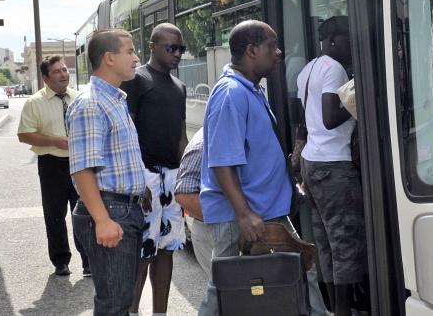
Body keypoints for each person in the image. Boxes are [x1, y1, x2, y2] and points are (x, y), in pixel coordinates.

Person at [198, 20, 321, 316]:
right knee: (227, 288)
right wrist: (244, 214)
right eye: (272, 46)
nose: (278, 53)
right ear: (252, 50)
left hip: (265, 209)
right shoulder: (231, 93)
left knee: (302, 271)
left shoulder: (251, 89)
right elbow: (222, 162)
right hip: (243, 215)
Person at [67, 29, 149, 316]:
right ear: (109, 58)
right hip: (110, 210)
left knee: (121, 301)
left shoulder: (114, 98)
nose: (137, 58)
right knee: (114, 305)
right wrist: (102, 220)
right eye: (130, 51)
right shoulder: (91, 103)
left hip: (122, 210)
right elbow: (82, 169)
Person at [296, 16, 368, 316]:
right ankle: (343, 310)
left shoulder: (307, 69)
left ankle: (332, 305)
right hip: (333, 165)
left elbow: (306, 119)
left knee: (325, 240)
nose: (352, 47)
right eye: (349, 40)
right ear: (334, 40)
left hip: (313, 162)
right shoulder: (335, 69)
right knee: (345, 240)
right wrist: (359, 100)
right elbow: (329, 117)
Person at [122, 23, 189, 316]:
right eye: (171, 48)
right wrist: (138, 179)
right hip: (146, 175)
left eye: (181, 49)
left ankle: (160, 312)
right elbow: (127, 132)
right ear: (152, 46)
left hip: (173, 178)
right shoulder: (136, 80)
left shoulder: (180, 87)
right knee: (143, 252)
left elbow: (181, 136)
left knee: (167, 249)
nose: (177, 54)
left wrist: (187, 179)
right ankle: (132, 311)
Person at [17, 56, 88, 277]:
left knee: (85, 212)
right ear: (46, 78)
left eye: (65, 70)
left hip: (80, 162)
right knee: (55, 214)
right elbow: (24, 134)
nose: (63, 75)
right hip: (51, 164)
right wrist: (53, 141)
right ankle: (60, 260)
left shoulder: (80, 98)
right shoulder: (34, 102)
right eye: (56, 71)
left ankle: (89, 261)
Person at [173, 129, 213, 276]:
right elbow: (185, 194)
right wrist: (227, 223)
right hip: (211, 229)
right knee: (224, 290)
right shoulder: (203, 143)